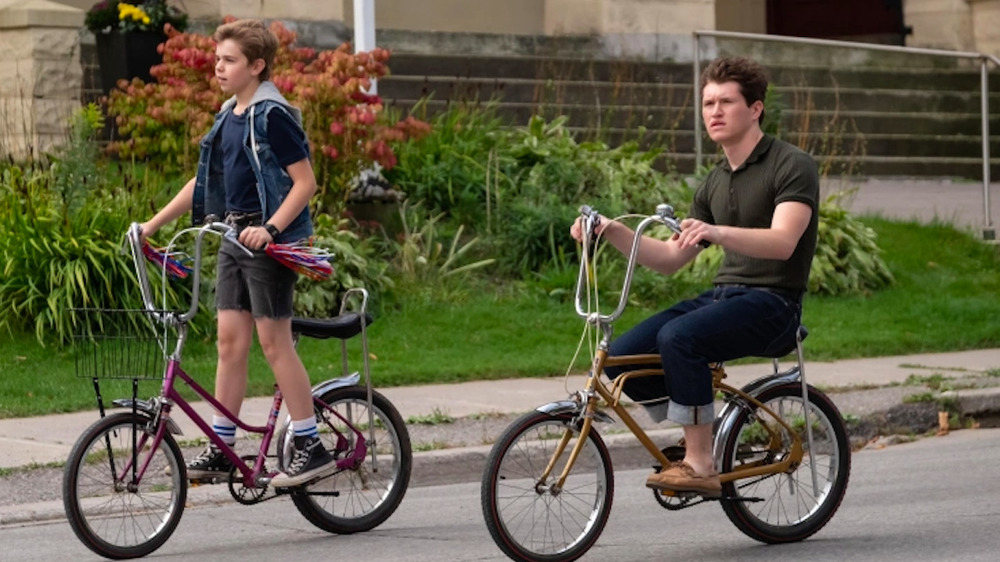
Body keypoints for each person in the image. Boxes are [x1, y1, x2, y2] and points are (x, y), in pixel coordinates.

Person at [570, 56, 819, 497]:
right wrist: (610, 230)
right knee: (625, 356)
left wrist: (718, 231)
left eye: (726, 102)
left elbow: (783, 242)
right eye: (708, 103)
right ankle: (699, 436)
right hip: (726, 297)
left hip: (774, 302)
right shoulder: (714, 180)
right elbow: (669, 259)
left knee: (680, 338)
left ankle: (700, 463)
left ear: (755, 108)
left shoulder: (791, 164)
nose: (714, 112)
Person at [138, 19, 337, 488]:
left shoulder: (273, 116)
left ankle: (309, 444)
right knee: (229, 342)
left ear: (257, 65)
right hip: (231, 240)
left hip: (268, 243)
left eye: (229, 61)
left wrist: (270, 230)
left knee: (274, 343)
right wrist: (151, 225)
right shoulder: (228, 114)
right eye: (218, 60)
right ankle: (224, 445)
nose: (218, 68)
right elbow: (203, 183)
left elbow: (305, 183)